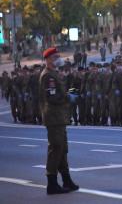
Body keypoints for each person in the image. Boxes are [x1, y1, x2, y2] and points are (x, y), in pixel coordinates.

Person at [39, 47, 79, 194]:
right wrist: (68, 97)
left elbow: (58, 94)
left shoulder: (54, 74)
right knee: (56, 148)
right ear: (49, 59)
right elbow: (52, 97)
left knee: (62, 149)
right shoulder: (48, 76)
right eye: (56, 57)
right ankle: (52, 183)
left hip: (59, 117)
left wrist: (68, 94)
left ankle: (66, 180)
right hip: (54, 117)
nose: (59, 59)